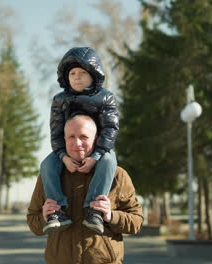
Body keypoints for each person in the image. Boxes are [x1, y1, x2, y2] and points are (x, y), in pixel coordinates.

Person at [27, 115, 143, 264]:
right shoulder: (49, 176)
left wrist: (110, 216)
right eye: (71, 137)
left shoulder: (117, 175)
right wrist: (44, 217)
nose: (77, 143)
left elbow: (137, 222)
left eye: (84, 137)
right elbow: (33, 223)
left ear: (96, 139)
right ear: (63, 140)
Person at [39, 47, 120, 235]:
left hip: (98, 150)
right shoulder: (60, 100)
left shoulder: (106, 98)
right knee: (47, 165)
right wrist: (63, 156)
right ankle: (57, 211)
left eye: (82, 73)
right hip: (67, 152)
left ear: (94, 74)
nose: (76, 77)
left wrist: (97, 154)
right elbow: (56, 132)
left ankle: (95, 211)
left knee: (109, 161)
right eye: (72, 73)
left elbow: (110, 128)